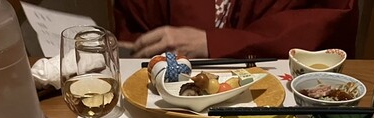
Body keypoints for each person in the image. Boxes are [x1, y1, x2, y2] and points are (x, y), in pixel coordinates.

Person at [113, 0, 359, 60]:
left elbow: (323, 24)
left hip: (273, 98)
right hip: (172, 103)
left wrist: (213, 43)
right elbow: (134, 28)